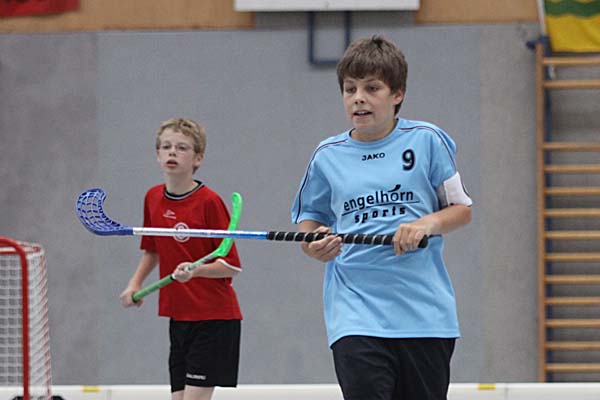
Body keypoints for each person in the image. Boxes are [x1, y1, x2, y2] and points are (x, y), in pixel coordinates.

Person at [291, 35, 472, 400]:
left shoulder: (427, 141)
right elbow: (308, 221)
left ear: (397, 94)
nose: (358, 98)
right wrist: (313, 245)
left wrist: (426, 224)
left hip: (424, 316)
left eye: (372, 88)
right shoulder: (327, 156)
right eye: (350, 89)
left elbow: (461, 210)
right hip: (356, 313)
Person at [120, 118, 243, 400]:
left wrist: (195, 272)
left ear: (198, 158)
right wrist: (135, 284)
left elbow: (231, 265)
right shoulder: (152, 198)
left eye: (182, 147)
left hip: (214, 319)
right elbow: (152, 248)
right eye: (166, 147)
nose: (172, 152)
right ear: (157, 154)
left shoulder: (209, 201)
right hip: (179, 317)